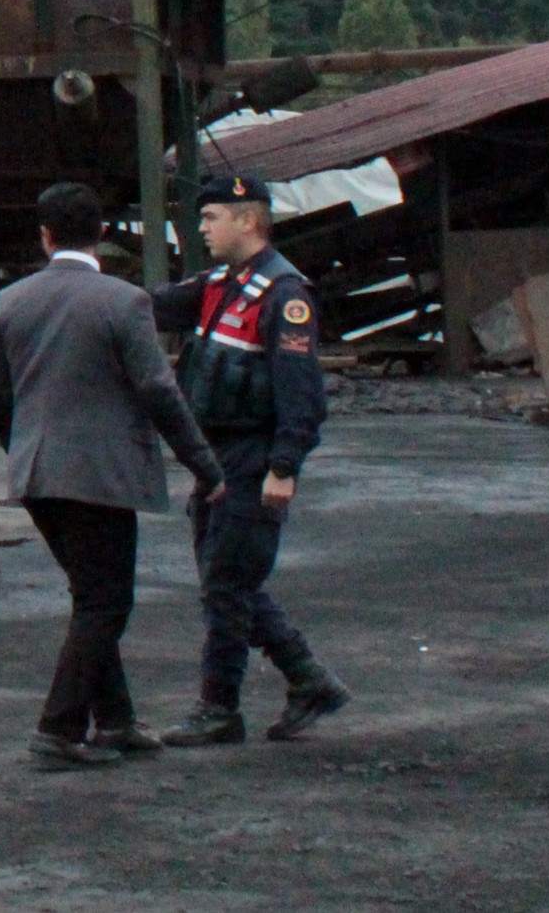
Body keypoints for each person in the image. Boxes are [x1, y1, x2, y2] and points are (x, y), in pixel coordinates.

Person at [0, 180, 231, 771]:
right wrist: (205, 465)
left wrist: (21, 447)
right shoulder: (123, 301)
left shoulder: (10, 301)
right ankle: (58, 728)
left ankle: (115, 721)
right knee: (105, 603)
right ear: (101, 235)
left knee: (92, 595)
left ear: (45, 237)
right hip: (101, 476)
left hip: (38, 474)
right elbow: (156, 390)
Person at [151, 171, 352, 747]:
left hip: (253, 455)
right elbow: (154, 306)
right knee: (227, 581)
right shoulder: (220, 284)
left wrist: (284, 466)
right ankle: (308, 679)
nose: (202, 227)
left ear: (248, 219)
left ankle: (219, 711)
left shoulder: (284, 296)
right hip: (216, 458)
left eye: (211, 217)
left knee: (226, 583)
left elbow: (302, 395)